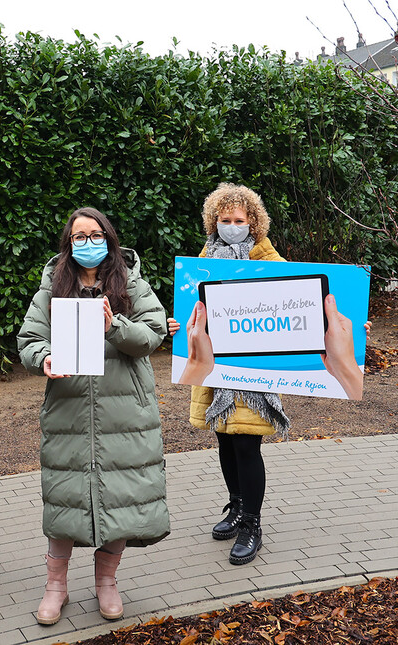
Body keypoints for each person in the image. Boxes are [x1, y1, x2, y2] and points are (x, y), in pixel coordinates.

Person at [169, 183, 372, 566]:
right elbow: (193, 308)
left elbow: (300, 306)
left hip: (255, 373)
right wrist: (177, 326)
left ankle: (252, 524)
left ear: (253, 222)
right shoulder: (203, 258)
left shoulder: (270, 258)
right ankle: (235, 506)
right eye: (225, 219)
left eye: (239, 220)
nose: (232, 225)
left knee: (247, 445)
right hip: (219, 373)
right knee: (226, 442)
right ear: (214, 221)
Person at [17, 207, 169, 625]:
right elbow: (29, 339)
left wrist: (114, 325)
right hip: (67, 408)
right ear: (69, 243)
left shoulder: (131, 282)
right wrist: (43, 358)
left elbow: (153, 334)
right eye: (79, 236)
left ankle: (107, 583)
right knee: (64, 498)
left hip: (125, 412)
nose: (87, 243)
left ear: (109, 237)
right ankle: (56, 587)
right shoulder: (53, 286)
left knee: (119, 498)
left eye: (95, 234)